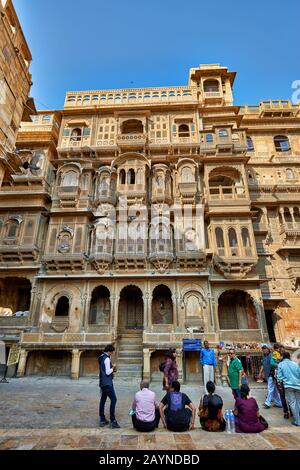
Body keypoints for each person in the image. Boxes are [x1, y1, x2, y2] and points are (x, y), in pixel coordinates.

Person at [98, 344, 120, 428]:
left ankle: (102, 419)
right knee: (114, 399)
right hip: (107, 383)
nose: (112, 354)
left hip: (102, 382)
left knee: (103, 400)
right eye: (111, 352)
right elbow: (107, 372)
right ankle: (112, 420)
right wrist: (113, 367)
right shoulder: (106, 359)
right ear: (109, 351)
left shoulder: (101, 356)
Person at [277, 352, 300, 426]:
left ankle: (297, 421)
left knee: (292, 403)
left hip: (288, 386)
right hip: (298, 385)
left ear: (283, 357)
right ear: (289, 357)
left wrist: (282, 381)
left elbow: (279, 377)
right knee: (298, 403)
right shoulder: (295, 364)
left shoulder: (281, 364)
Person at [259, 345, 282, 409]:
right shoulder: (264, 356)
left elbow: (274, 363)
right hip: (267, 374)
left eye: (265, 349)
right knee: (274, 390)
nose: (264, 351)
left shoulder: (272, 355)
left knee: (270, 388)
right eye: (263, 350)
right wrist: (261, 373)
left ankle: (267, 403)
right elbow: (263, 365)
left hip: (272, 374)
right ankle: (279, 403)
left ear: (268, 349)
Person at [272, 344, 290, 419]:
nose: (281, 350)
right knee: (285, 397)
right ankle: (287, 411)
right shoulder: (276, 356)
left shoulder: (280, 359)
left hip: (284, 381)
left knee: (287, 397)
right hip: (283, 381)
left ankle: (288, 412)